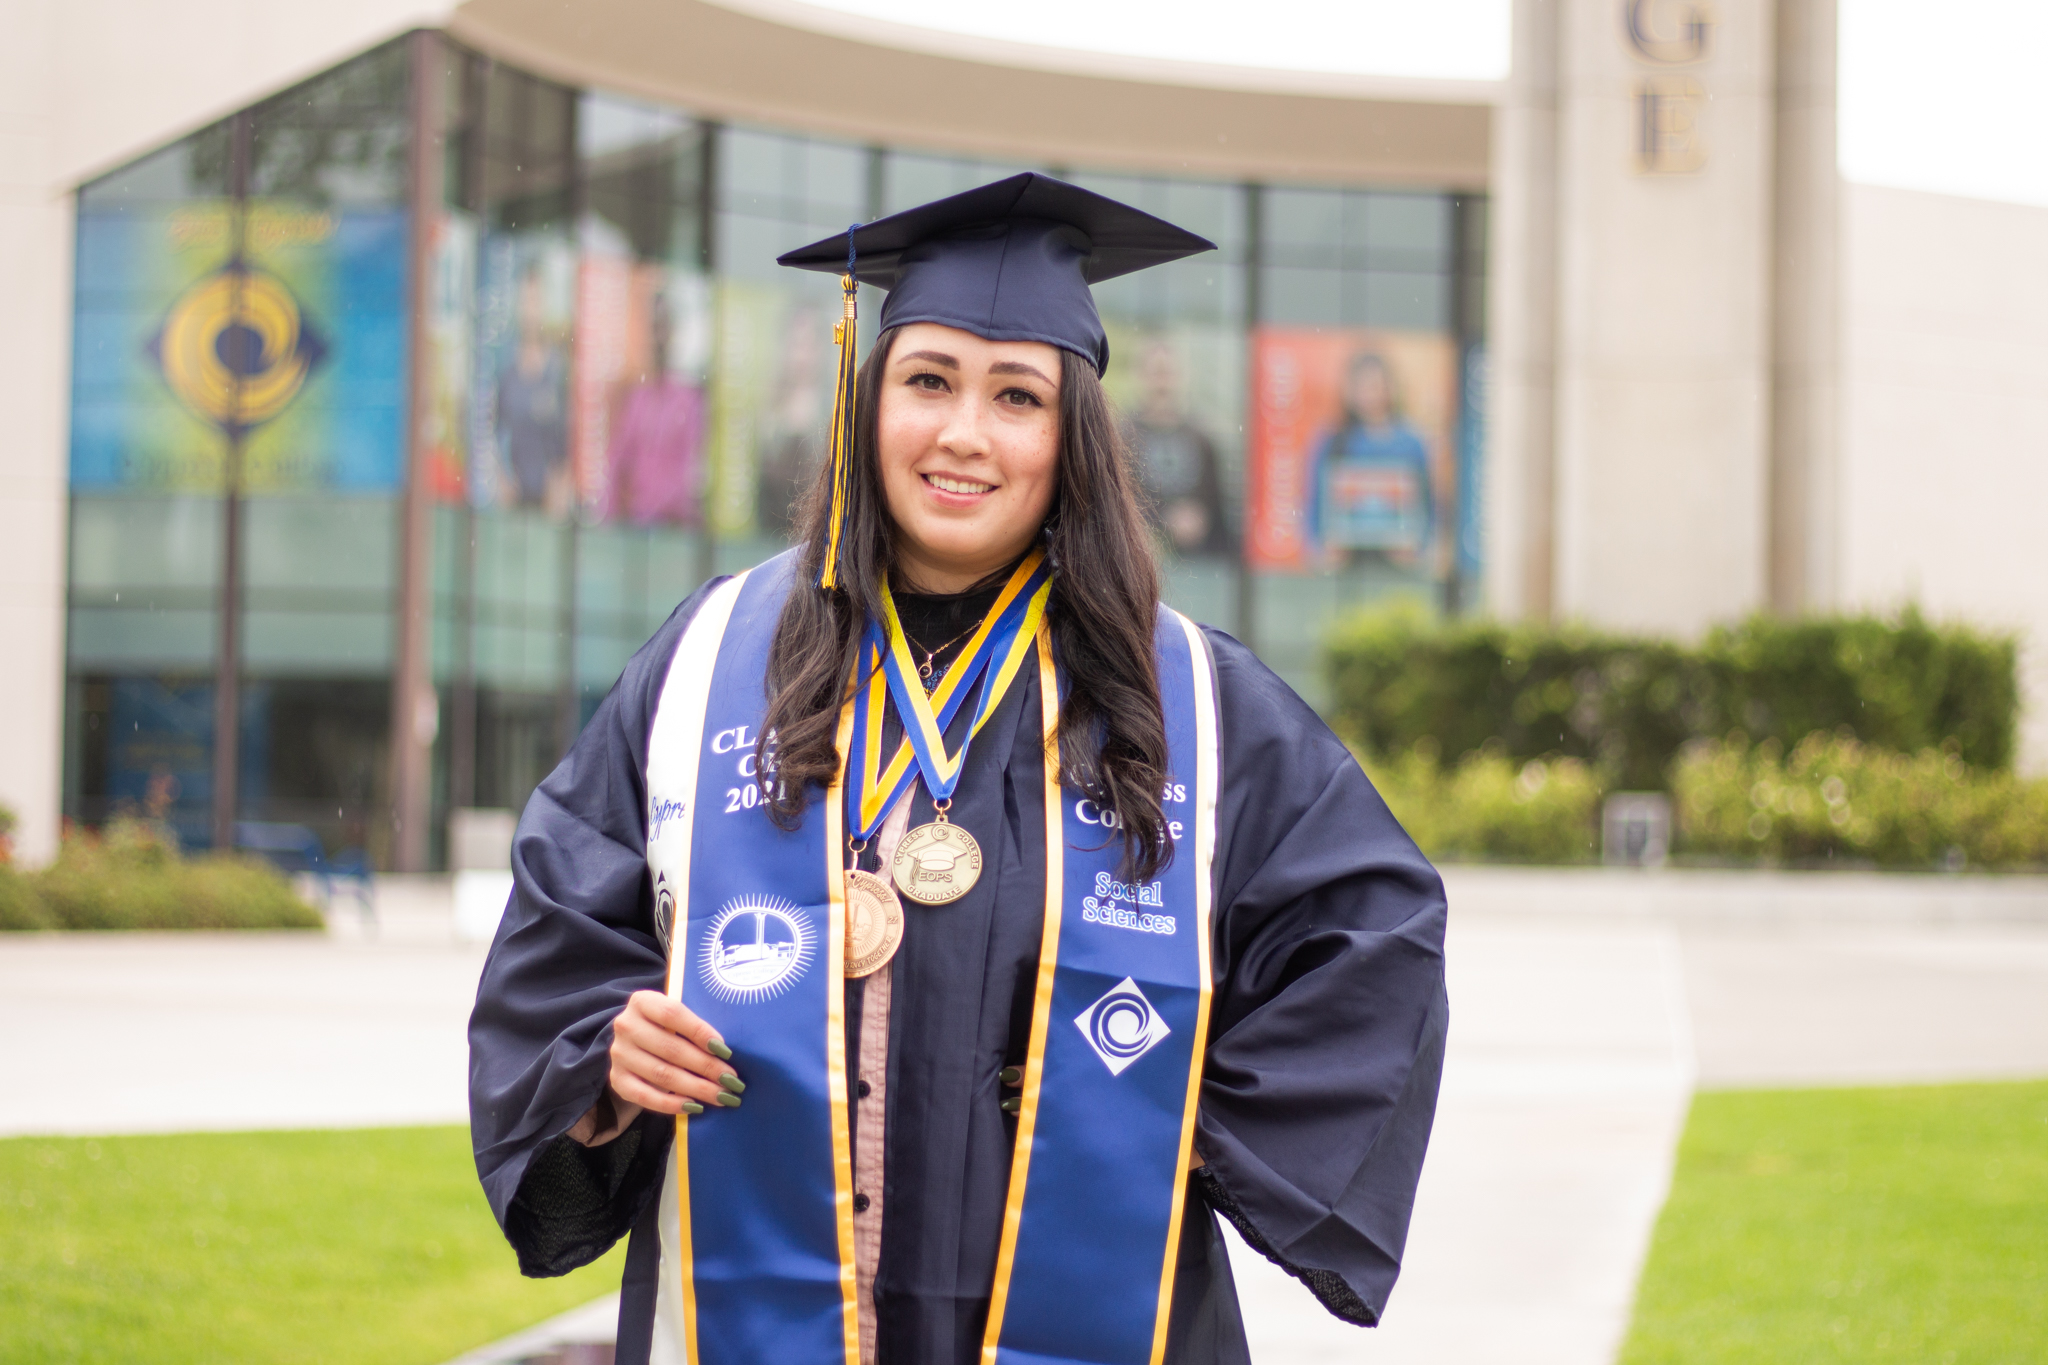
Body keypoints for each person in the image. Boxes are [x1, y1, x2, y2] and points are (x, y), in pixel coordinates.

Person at [469, 174, 1448, 1365]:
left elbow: (1371, 930)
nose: (963, 435)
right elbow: (563, 929)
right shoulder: (710, 659)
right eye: (927, 380)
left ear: (1069, 435)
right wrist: (601, 1064)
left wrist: (1198, 1115)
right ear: (867, 397)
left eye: (1017, 396)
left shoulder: (1184, 697)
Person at [1306, 351, 1433, 567]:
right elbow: (1314, 502)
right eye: (1363, 386)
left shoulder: (1410, 443)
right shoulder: (1333, 440)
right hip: (1344, 567)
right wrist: (1322, 548)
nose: (1371, 395)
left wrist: (1418, 545)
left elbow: (1428, 506)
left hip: (1399, 566)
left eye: (1376, 385)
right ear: (1350, 391)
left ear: (1390, 388)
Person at [1125, 339, 1230, 558]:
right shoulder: (1122, 439)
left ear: (1182, 377)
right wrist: (1164, 521)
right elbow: (1116, 505)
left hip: (1197, 565)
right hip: (1137, 560)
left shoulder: (1201, 440)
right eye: (1156, 373)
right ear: (1141, 376)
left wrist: (1200, 520)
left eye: (1168, 373)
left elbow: (1218, 514)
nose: (1162, 384)